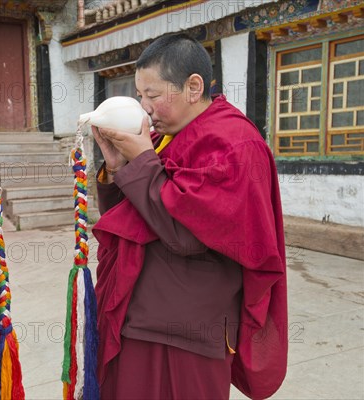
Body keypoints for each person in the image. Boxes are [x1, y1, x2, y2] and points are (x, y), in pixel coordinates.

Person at [91, 33, 288, 399]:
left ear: (193, 87)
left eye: (152, 95)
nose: (145, 108)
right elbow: (134, 222)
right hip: (138, 318)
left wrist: (144, 162)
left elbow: (188, 233)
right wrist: (119, 168)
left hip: (188, 334)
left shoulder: (233, 144)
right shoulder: (169, 136)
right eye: (140, 96)